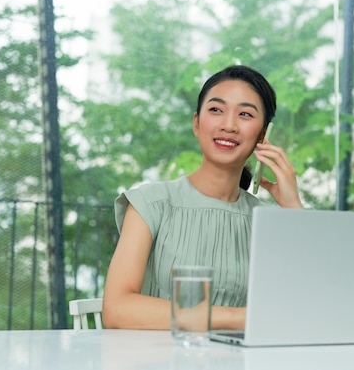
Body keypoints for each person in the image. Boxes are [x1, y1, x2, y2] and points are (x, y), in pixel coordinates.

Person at [102, 65, 303, 330]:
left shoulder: (268, 222)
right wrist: (238, 318)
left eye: (245, 114)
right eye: (216, 110)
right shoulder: (150, 203)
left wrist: (294, 209)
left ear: (263, 136)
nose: (229, 125)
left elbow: (310, 306)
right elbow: (117, 310)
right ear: (197, 123)